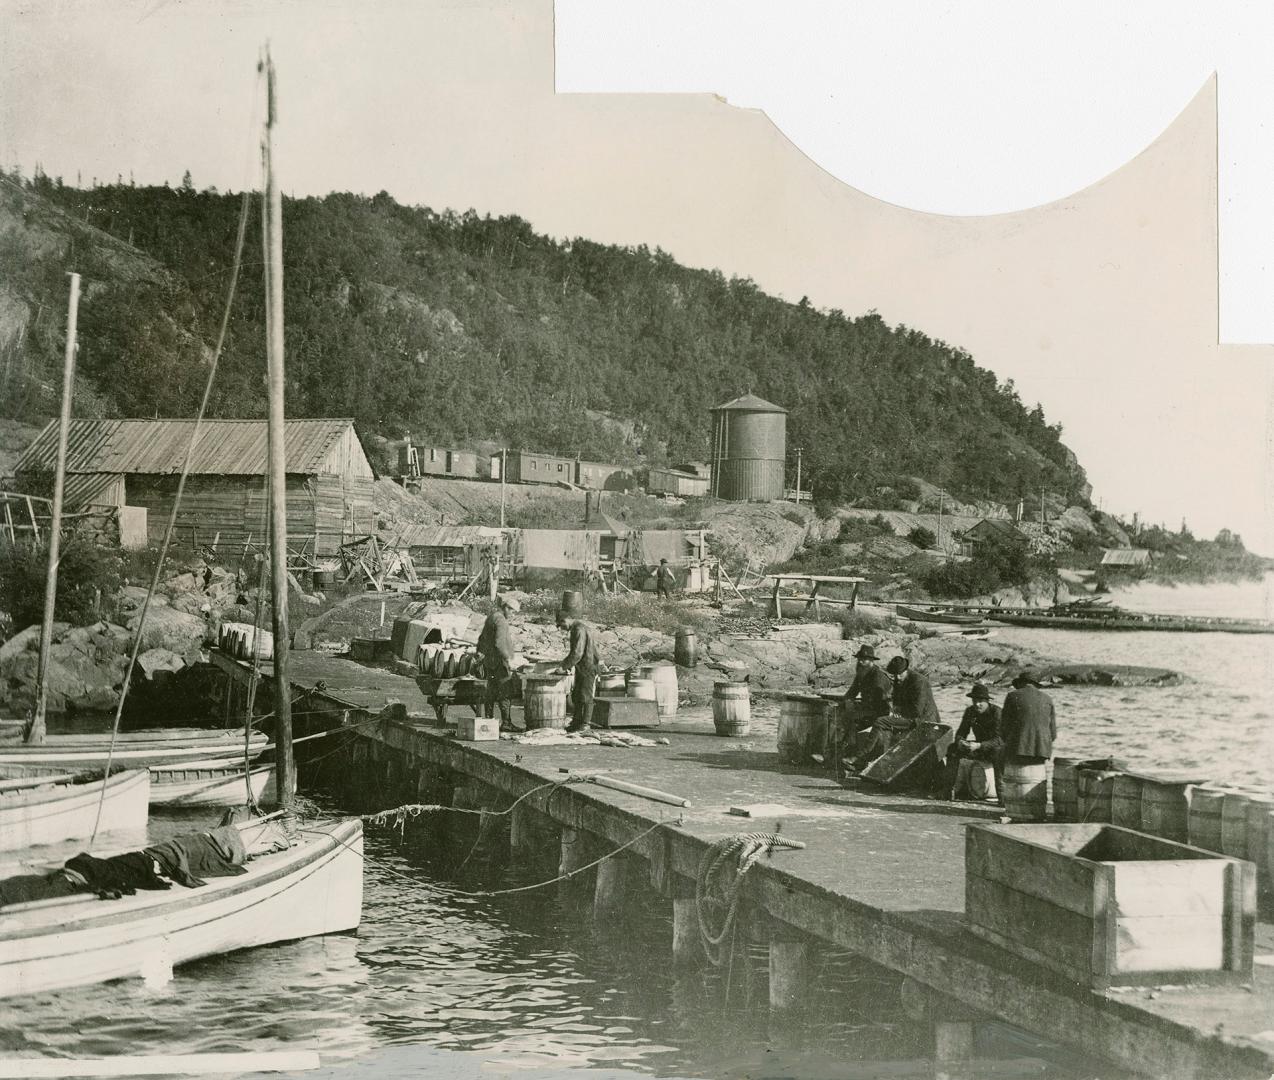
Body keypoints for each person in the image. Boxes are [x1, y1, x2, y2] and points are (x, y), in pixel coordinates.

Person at [944, 682, 1003, 800]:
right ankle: (948, 790)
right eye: (975, 701)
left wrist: (979, 745)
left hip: (994, 748)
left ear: (987, 701)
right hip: (977, 747)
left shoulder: (997, 712)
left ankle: (1001, 796)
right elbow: (961, 732)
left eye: (981, 701)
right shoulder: (970, 711)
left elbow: (999, 739)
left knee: (998, 753)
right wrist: (961, 742)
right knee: (952, 748)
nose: (977, 704)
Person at [842, 644, 896, 771]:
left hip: (882, 713)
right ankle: (845, 755)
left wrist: (859, 711)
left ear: (871, 661)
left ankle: (854, 758)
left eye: (864, 659)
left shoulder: (878, 677)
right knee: (845, 715)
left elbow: (882, 702)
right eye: (859, 659)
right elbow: (850, 693)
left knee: (853, 720)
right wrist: (848, 702)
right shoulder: (861, 674)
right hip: (869, 710)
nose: (861, 661)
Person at [556, 597, 602, 733]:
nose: (561, 628)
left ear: (566, 620)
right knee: (577, 694)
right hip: (584, 666)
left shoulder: (578, 629)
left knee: (586, 696)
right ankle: (576, 722)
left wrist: (563, 666)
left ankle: (585, 724)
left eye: (561, 625)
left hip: (588, 666)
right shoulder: (580, 627)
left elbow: (577, 653)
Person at [1000, 671, 1056, 773]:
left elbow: (1003, 728)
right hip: (1042, 751)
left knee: (1017, 782)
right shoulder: (1048, 699)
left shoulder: (1012, 696)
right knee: (1036, 781)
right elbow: (1053, 733)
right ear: (1035, 684)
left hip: (1018, 749)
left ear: (1021, 683)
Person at [477, 594, 519, 730]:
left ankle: (489, 720)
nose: (513, 614)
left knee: (491, 691)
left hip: (490, 661)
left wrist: (481, 654)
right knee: (506, 691)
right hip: (500, 662)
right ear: (506, 608)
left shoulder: (491, 617)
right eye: (512, 611)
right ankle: (506, 723)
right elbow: (499, 643)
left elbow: (482, 638)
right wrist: (508, 658)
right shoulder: (501, 620)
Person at [884, 655, 939, 726]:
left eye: (900, 674)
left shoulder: (918, 681)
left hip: (927, 721)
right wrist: (895, 709)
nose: (897, 677)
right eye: (894, 675)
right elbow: (897, 701)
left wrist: (899, 710)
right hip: (911, 719)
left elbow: (917, 710)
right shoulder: (898, 680)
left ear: (906, 670)